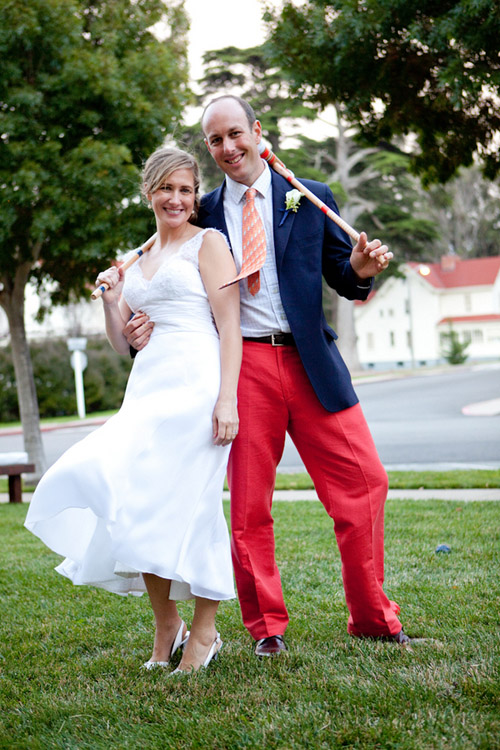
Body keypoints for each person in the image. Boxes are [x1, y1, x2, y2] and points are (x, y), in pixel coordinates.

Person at [124, 96, 410, 657]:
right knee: (249, 505)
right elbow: (171, 279)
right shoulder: (201, 211)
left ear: (257, 132)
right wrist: (139, 325)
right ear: (207, 148)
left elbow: (342, 276)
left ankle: (373, 617)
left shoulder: (309, 197)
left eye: (235, 134)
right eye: (215, 140)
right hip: (242, 366)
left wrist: (359, 269)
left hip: (312, 362)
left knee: (365, 484)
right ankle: (266, 629)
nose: (227, 148)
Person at [25, 147, 242, 673]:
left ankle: (206, 633)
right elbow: (124, 345)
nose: (177, 199)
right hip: (148, 389)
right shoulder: (136, 258)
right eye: (167, 188)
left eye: (187, 190)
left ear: (196, 197)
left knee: (194, 504)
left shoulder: (209, 244)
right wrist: (111, 300)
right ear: (149, 192)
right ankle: (167, 623)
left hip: (196, 385)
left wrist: (227, 398)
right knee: (130, 495)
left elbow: (229, 324)